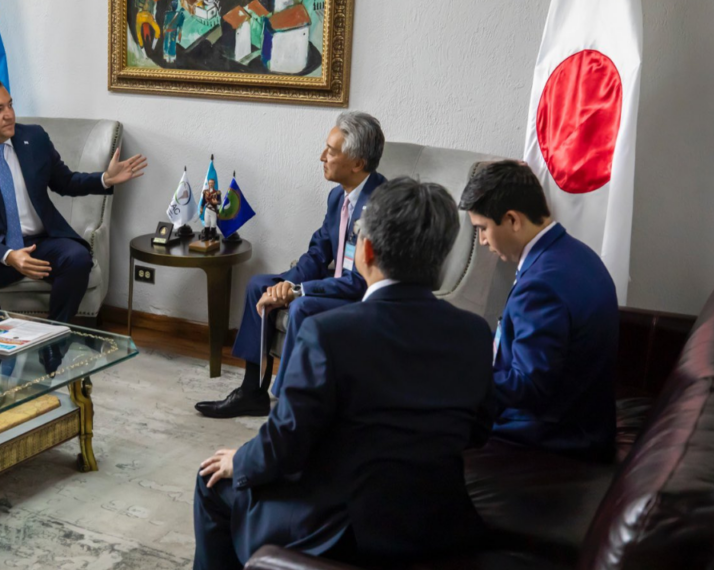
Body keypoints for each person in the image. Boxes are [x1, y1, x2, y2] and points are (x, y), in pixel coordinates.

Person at [192, 178, 495, 569]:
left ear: (365, 251)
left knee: (212, 481)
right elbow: (479, 431)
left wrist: (242, 460)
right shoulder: (474, 334)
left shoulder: (329, 334)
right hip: (439, 522)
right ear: (440, 258)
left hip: (343, 532)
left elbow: (286, 443)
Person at [195, 111, 386, 418]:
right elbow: (317, 252)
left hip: (361, 295)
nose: (322, 156)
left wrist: (296, 291)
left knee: (301, 307)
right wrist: (283, 286)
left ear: (358, 163)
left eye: (331, 151)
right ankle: (251, 391)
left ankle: (290, 404)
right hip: (335, 282)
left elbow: (358, 282)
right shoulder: (339, 197)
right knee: (260, 284)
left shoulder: (379, 205)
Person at [0, 76, 148, 322]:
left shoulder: (33, 138)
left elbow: (65, 181)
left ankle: (53, 338)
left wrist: (105, 179)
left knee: (77, 258)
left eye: (9, 105)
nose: (9, 115)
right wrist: (8, 255)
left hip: (40, 242)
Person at [458, 161, 619, 462]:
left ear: (512, 220)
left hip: (553, 435)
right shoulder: (575, 254)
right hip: (585, 420)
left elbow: (530, 386)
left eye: (482, 229)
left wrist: (462, 378)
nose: (481, 241)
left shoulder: (541, 285)